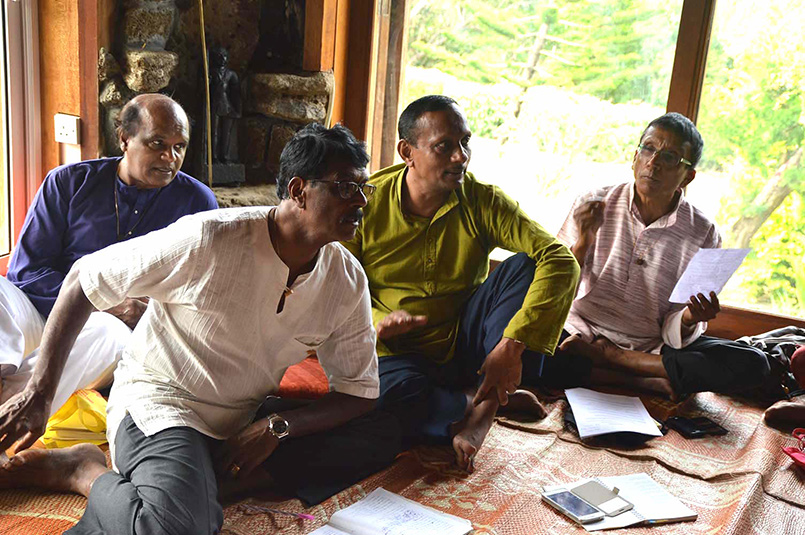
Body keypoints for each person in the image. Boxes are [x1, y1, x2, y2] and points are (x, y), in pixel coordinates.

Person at [0, 123, 400, 534]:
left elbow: (358, 392)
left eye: (363, 189)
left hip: (240, 415)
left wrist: (277, 428)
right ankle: (81, 470)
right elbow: (84, 279)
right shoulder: (209, 239)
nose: (361, 202)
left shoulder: (346, 278)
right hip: (163, 406)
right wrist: (39, 391)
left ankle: (196, 485)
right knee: (179, 529)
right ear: (298, 190)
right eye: (345, 188)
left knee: (389, 429)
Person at [342, 95, 579, 472]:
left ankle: (483, 411)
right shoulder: (366, 203)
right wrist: (375, 323)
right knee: (383, 404)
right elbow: (338, 281)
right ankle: (477, 399)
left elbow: (560, 258)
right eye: (444, 147)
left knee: (526, 265)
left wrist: (511, 345)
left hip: (467, 346)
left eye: (465, 143)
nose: (461, 157)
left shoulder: (483, 201)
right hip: (396, 352)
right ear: (408, 151)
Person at [0, 93, 218, 416]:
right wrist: (102, 301)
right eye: (158, 143)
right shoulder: (67, 183)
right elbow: (26, 272)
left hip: (115, 335)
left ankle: (11, 409)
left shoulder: (197, 204)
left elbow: (205, 295)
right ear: (125, 139)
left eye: (179, 146)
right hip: (42, 314)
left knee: (106, 331)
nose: (170, 157)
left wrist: (131, 313)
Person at [551, 112, 769, 399]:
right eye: (649, 149)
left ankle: (613, 360)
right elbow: (552, 285)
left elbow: (675, 326)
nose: (653, 163)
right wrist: (584, 241)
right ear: (634, 157)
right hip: (579, 330)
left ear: (688, 176)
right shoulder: (594, 203)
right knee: (516, 342)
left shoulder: (702, 231)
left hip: (649, 346)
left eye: (670, 157)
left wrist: (690, 317)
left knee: (753, 363)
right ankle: (638, 381)